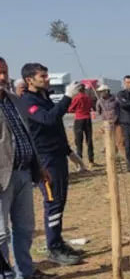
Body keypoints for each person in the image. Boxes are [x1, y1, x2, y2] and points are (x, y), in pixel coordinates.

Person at [18, 63, 84, 266]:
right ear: (30, 80)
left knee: (60, 201)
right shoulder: (27, 101)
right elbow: (47, 119)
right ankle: (53, 248)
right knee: (53, 202)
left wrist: (70, 153)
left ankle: (58, 242)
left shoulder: (44, 98)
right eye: (43, 76)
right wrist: (67, 98)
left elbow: (55, 128)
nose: (47, 79)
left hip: (58, 156)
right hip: (44, 160)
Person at [1, 57, 55, 279]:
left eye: (4, 72)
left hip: (23, 172)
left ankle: (25, 270)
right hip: (1, 177)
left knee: (24, 227)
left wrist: (38, 167)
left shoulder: (13, 100)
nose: (2, 77)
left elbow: (26, 135)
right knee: (1, 233)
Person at [68, 84, 95, 167]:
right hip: (87, 118)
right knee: (89, 140)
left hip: (79, 119)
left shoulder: (77, 97)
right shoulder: (88, 97)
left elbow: (70, 109)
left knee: (79, 141)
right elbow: (91, 106)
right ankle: (91, 160)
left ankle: (80, 160)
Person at [95, 84, 124, 154]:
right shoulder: (99, 101)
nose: (101, 93)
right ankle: (113, 158)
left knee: (120, 142)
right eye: (100, 92)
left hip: (117, 123)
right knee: (109, 142)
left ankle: (128, 159)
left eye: (102, 91)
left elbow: (121, 109)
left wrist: (116, 117)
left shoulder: (115, 99)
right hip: (106, 124)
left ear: (107, 91)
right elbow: (98, 111)